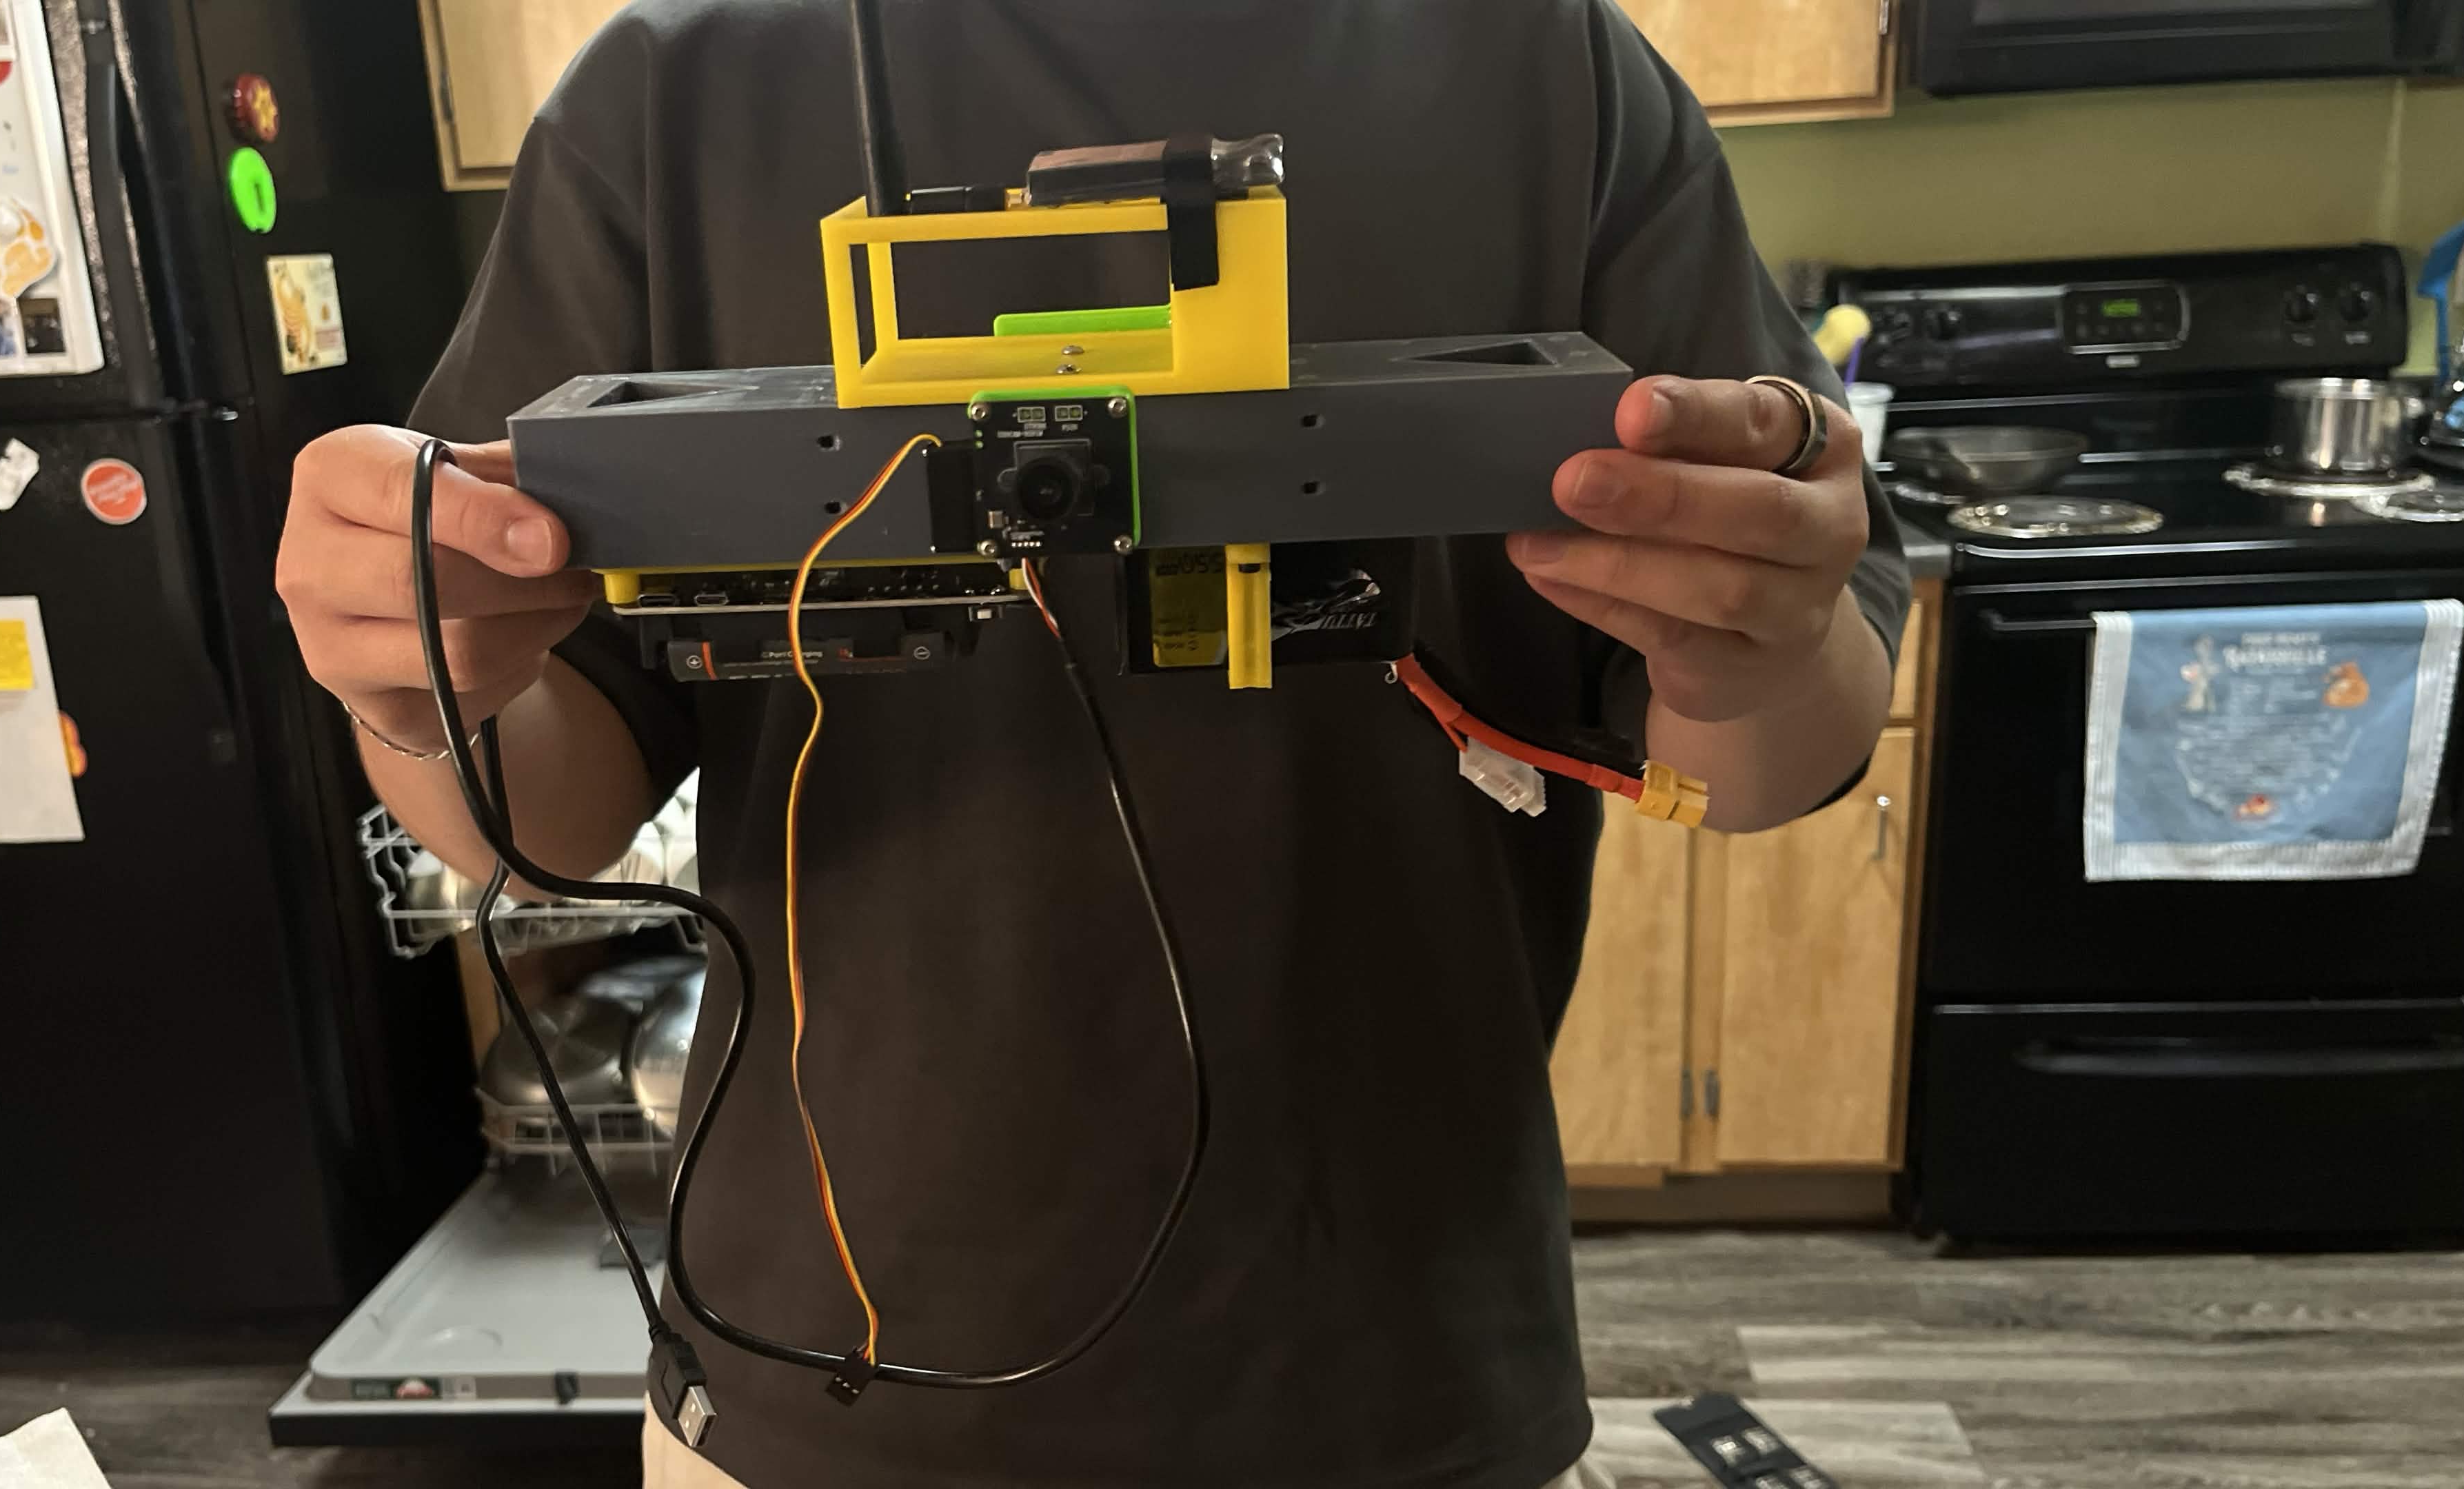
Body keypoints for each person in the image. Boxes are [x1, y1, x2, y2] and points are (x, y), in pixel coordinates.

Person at [276, 2, 1907, 1485]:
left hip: (1393, 1371)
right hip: (821, 1380)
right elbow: (535, 802)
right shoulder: (675, 93)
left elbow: (1766, 742)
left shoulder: (1558, 72)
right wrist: (417, 690)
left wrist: (1760, 644)